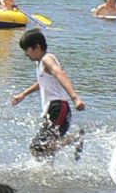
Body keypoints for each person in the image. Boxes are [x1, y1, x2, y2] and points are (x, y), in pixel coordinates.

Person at [11, 29, 86, 158]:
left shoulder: (47, 59)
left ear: (37, 47)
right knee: (39, 148)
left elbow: (60, 74)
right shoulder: (40, 62)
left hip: (58, 108)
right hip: (52, 109)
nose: (25, 54)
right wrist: (24, 94)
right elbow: (42, 82)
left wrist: (75, 98)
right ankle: (48, 174)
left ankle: (74, 138)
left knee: (40, 147)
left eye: (26, 50)